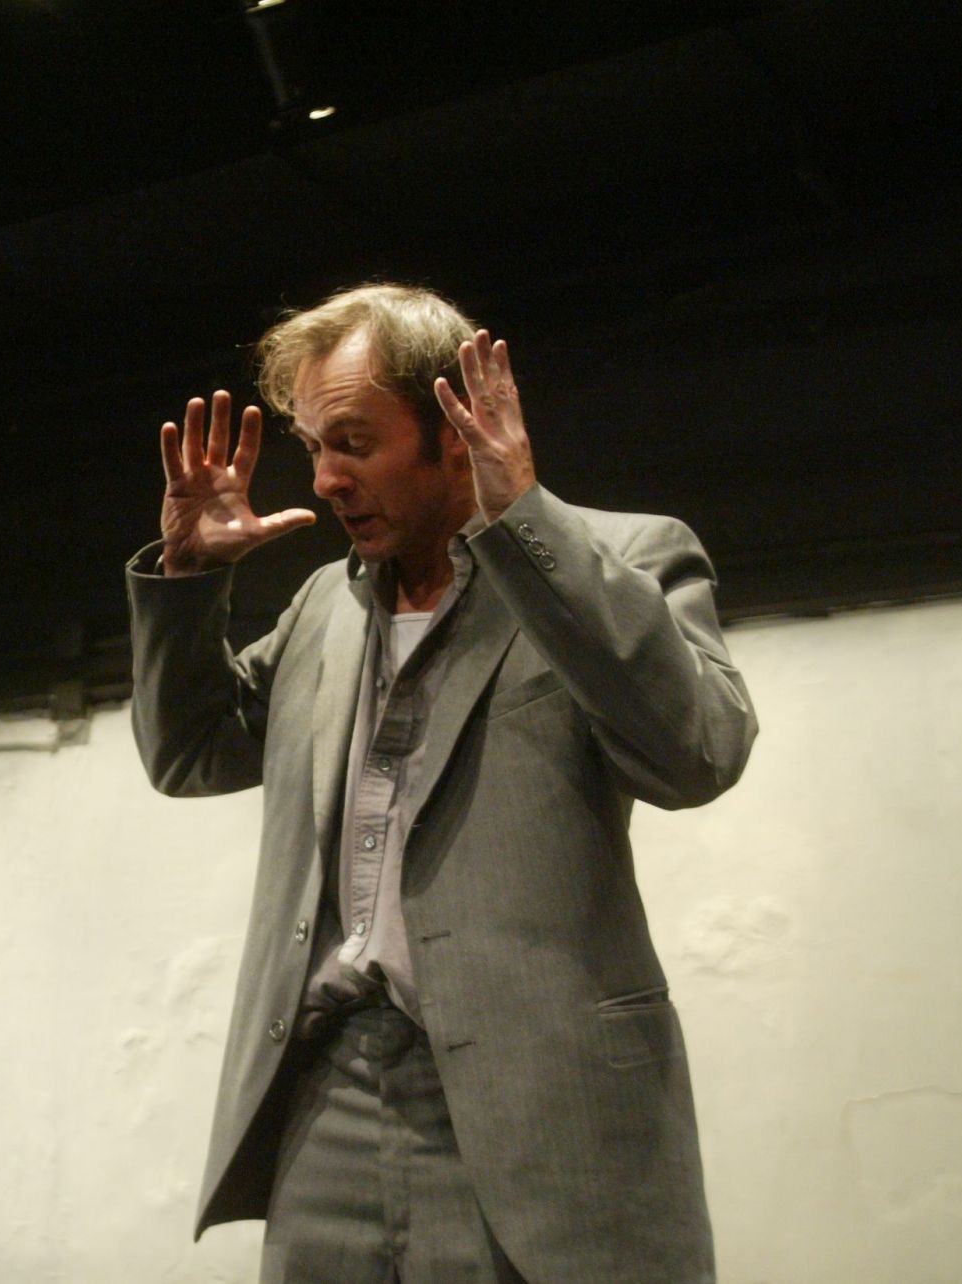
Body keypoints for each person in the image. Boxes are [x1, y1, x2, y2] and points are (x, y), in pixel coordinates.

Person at [126, 282, 757, 1283]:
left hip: (534, 1110)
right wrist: (191, 584)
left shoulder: (622, 557)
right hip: (326, 1097)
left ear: (456, 430)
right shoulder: (323, 612)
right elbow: (190, 752)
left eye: (355, 443)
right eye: (313, 446)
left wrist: (528, 525)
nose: (327, 479)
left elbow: (697, 754)